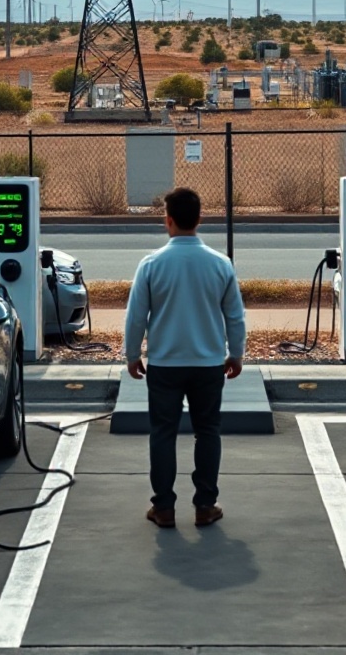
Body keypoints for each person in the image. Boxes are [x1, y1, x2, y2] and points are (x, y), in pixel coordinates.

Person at [124, 187, 246, 529]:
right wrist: (236, 353)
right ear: (199, 219)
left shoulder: (151, 265)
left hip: (165, 364)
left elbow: (136, 317)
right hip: (208, 363)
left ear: (168, 221)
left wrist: (132, 354)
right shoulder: (220, 264)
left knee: (163, 433)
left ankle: (163, 507)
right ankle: (205, 505)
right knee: (208, 431)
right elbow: (235, 316)